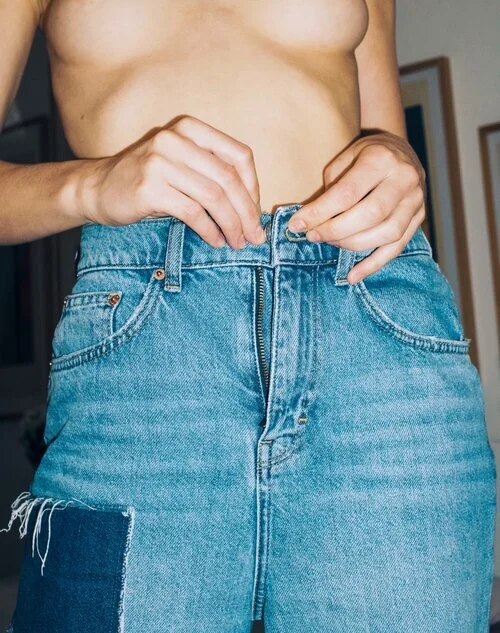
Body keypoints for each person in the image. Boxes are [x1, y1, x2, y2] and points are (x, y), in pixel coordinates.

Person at [0, 1, 496, 632]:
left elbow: (383, 133)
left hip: (372, 323)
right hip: (148, 354)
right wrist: (91, 185)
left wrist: (398, 161)